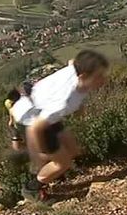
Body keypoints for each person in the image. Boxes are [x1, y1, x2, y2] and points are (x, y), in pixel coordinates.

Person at [11, 50, 109, 201]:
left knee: (74, 150)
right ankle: (33, 189)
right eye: (98, 76)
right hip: (31, 120)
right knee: (62, 163)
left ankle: (51, 170)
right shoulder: (65, 101)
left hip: (44, 110)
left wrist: (80, 107)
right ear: (83, 77)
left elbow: (72, 61)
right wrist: (40, 152)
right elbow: (36, 128)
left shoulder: (76, 69)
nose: (103, 80)